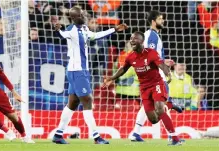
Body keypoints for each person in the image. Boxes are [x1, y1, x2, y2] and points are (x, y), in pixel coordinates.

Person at [52, 6, 128, 144]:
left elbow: (95, 36)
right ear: (74, 18)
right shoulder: (71, 30)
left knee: (72, 103)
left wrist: (114, 29)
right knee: (87, 100)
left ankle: (58, 134)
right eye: (81, 14)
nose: (85, 15)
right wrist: (58, 29)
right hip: (77, 71)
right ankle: (96, 136)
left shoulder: (85, 29)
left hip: (82, 71)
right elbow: (62, 34)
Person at [103, 31, 184, 145]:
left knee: (160, 110)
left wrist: (168, 74)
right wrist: (112, 77)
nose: (131, 41)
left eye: (134, 39)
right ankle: (170, 105)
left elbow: (161, 64)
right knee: (153, 119)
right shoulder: (130, 56)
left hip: (157, 84)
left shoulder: (151, 53)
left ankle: (175, 138)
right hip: (144, 88)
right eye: (131, 39)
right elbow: (123, 69)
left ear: (141, 41)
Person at [130, 10, 182, 142]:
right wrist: (164, 69)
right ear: (153, 22)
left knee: (149, 104)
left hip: (150, 73)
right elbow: (150, 56)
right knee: (162, 104)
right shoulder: (152, 36)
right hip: (156, 75)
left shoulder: (150, 35)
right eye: (160, 19)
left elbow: (148, 55)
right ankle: (172, 135)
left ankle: (136, 132)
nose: (163, 21)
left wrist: (164, 61)